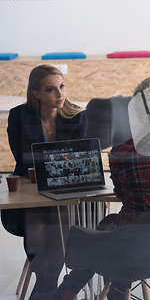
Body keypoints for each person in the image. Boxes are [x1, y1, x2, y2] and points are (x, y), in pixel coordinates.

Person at [33, 75, 150, 300]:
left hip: (127, 248)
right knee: (109, 226)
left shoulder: (120, 152)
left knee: (107, 226)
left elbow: (121, 194)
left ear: (135, 112)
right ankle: (94, 291)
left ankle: (78, 291)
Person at [1, 65, 87, 297]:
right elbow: (22, 157)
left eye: (61, 86)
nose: (60, 94)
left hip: (63, 191)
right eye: (51, 89)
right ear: (36, 93)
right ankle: (47, 286)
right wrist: (57, 163)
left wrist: (50, 164)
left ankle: (45, 289)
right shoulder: (19, 115)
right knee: (38, 219)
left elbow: (76, 161)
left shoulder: (77, 116)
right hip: (31, 190)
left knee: (57, 216)